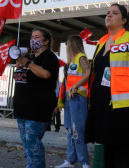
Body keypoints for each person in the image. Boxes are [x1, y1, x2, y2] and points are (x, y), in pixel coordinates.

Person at [85, 3, 129, 168]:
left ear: (124, 20)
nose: (109, 15)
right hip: (102, 101)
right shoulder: (101, 42)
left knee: (121, 146)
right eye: (108, 13)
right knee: (107, 143)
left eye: (114, 13)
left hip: (124, 103)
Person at [13, 27, 59, 168]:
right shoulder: (32, 59)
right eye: (32, 37)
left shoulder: (49, 57)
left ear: (46, 41)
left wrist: (27, 63)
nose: (33, 40)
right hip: (22, 107)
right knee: (27, 143)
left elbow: (45, 74)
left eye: (37, 37)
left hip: (38, 107)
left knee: (32, 140)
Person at [56, 35, 91, 168]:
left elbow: (88, 73)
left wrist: (76, 86)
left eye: (68, 44)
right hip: (70, 97)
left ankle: (84, 161)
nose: (66, 47)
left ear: (72, 44)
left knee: (78, 130)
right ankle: (71, 159)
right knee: (71, 130)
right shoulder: (71, 60)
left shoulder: (81, 57)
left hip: (78, 96)